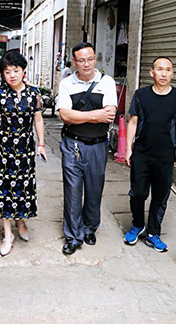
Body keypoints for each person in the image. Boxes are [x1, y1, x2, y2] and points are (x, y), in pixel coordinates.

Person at [124, 57, 176, 252]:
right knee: (138, 193)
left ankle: (153, 233)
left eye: (168, 70)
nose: (164, 73)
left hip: (165, 156)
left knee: (160, 196)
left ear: (172, 73)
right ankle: (137, 225)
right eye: (160, 69)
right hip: (141, 154)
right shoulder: (141, 95)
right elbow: (133, 121)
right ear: (152, 72)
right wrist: (129, 148)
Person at [0, 51, 46, 257]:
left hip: (26, 149)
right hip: (4, 148)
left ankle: (20, 221)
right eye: (7, 71)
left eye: (16, 71)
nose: (12, 75)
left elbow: (38, 120)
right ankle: (7, 234)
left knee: (23, 187)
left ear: (23, 71)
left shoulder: (34, 94)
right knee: (4, 189)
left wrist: (41, 144)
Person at [56, 42, 118, 255]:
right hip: (72, 144)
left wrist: (80, 116)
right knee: (72, 191)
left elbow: (109, 114)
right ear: (74, 62)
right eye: (81, 60)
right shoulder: (66, 84)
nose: (86, 64)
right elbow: (65, 115)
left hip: (98, 146)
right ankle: (73, 236)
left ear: (95, 59)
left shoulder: (106, 82)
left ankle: (90, 228)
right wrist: (95, 115)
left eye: (90, 59)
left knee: (94, 189)